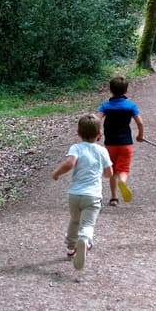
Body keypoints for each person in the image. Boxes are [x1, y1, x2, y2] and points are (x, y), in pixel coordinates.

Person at [52, 114, 113, 270]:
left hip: (74, 194)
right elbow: (109, 173)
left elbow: (69, 163)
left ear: (78, 132)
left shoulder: (76, 148)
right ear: (99, 134)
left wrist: (57, 173)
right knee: (87, 224)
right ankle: (85, 239)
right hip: (92, 195)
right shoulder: (102, 151)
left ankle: (71, 247)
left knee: (74, 220)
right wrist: (105, 174)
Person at [97, 75, 144, 207]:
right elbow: (140, 122)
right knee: (123, 169)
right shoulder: (130, 106)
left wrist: (97, 132)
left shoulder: (105, 106)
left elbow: (96, 119)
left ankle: (113, 198)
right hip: (126, 143)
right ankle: (122, 181)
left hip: (110, 143)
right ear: (126, 90)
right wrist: (140, 136)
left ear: (110, 90)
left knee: (112, 170)